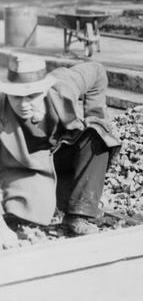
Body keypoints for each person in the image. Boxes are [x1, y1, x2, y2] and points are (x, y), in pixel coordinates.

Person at [0, 54, 120, 248]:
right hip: (24, 167)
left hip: (60, 155)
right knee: (24, 216)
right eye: (17, 97)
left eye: (31, 96)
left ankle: (78, 215)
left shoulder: (63, 87)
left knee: (96, 135)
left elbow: (97, 71)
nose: (23, 105)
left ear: (44, 90)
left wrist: (96, 116)